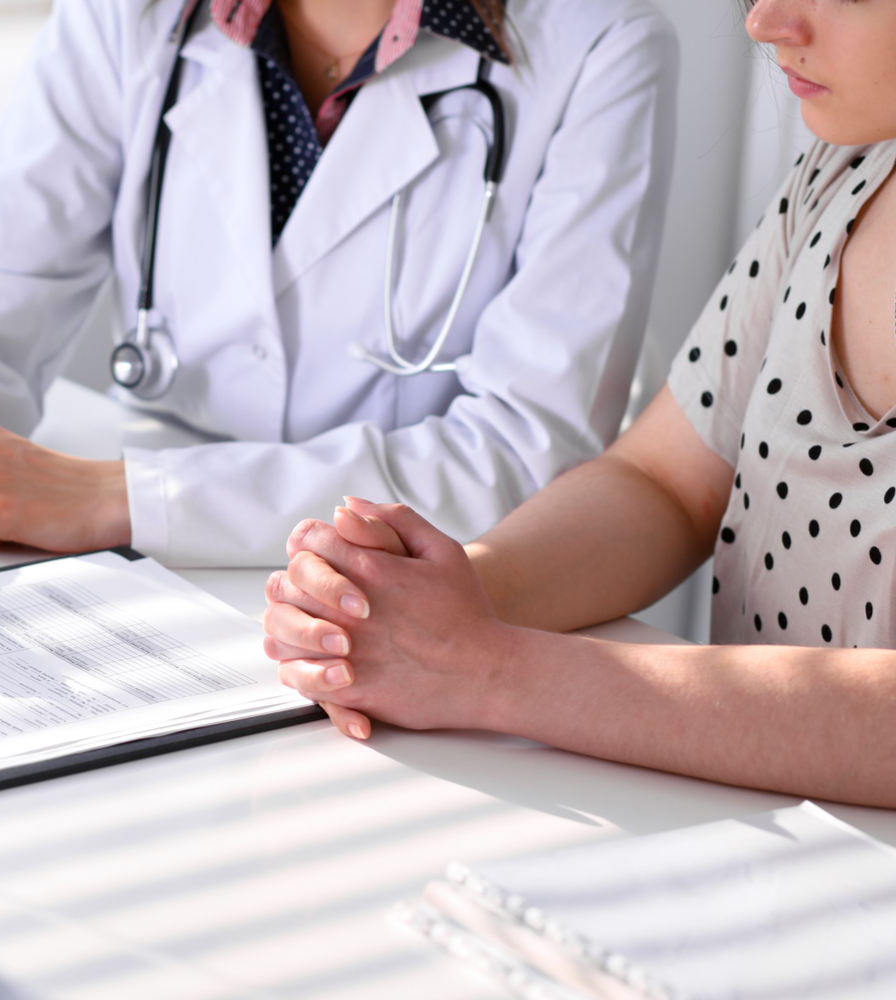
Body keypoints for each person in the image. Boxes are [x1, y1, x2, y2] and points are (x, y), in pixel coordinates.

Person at [263, 0, 896, 809]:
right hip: (764, 840)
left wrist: (493, 671)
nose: (766, 22)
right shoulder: (840, 177)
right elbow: (664, 483)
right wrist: (430, 599)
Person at [0, 0, 677, 566]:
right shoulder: (125, 18)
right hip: (144, 583)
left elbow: (526, 453)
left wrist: (134, 497)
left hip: (414, 592)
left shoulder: (601, 45)